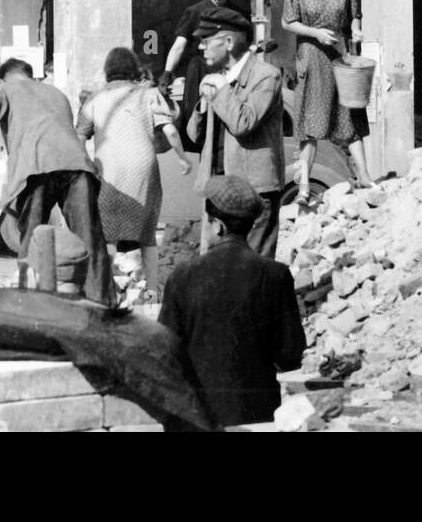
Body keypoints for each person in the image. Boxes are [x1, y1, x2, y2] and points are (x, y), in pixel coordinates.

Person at [0, 58, 116, 306]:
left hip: (35, 168)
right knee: (90, 238)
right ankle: (103, 305)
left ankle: (27, 299)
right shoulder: (56, 92)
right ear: (30, 74)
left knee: (31, 236)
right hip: (76, 165)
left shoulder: (6, 90)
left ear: (2, 78)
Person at [158, 175, 304, 428]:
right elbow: (290, 354)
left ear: (218, 226)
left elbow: (165, 352)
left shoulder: (183, 276)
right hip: (256, 416)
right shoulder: (276, 275)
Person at [77, 47, 192, 295]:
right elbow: (170, 130)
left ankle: (106, 289)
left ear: (108, 71)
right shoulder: (149, 95)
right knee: (148, 234)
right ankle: (151, 291)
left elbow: (79, 136)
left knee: (107, 232)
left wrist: (86, 164)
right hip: (143, 169)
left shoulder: (94, 99)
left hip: (107, 171)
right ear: (134, 69)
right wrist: (183, 158)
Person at [282, 0, 374, 198]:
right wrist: (315, 33)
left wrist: (356, 30)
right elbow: (287, 21)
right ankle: (302, 188)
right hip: (311, 56)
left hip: (340, 55)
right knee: (309, 125)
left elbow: (354, 15)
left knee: (350, 118)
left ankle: (365, 177)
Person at [187, 21, 286, 259]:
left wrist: (221, 91)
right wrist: (203, 102)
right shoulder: (219, 78)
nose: (202, 48)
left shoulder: (266, 77)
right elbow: (194, 136)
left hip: (254, 193)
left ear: (229, 43)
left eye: (207, 41)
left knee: (253, 267)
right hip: (219, 190)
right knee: (216, 269)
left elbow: (243, 123)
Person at [160, 0, 250, 154]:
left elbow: (246, 48)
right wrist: (167, 72)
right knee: (197, 118)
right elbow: (179, 45)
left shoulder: (240, 12)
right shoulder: (194, 11)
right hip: (200, 70)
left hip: (229, 71)